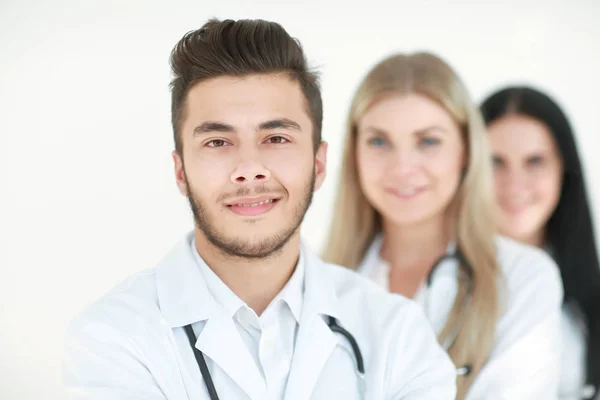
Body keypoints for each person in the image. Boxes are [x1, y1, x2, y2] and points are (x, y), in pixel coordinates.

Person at [62, 19, 457, 400]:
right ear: (180, 171)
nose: (249, 169)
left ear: (318, 164)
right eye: (218, 142)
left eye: (276, 137)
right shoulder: (113, 337)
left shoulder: (398, 335)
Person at [323, 52, 564, 399]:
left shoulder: (523, 278)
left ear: (466, 150)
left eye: (428, 141)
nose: (403, 167)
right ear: (354, 153)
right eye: (379, 141)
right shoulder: (319, 283)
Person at [481, 86, 600, 400]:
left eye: (534, 161)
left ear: (564, 170)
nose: (514, 184)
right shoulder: (436, 282)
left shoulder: (589, 299)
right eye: (495, 162)